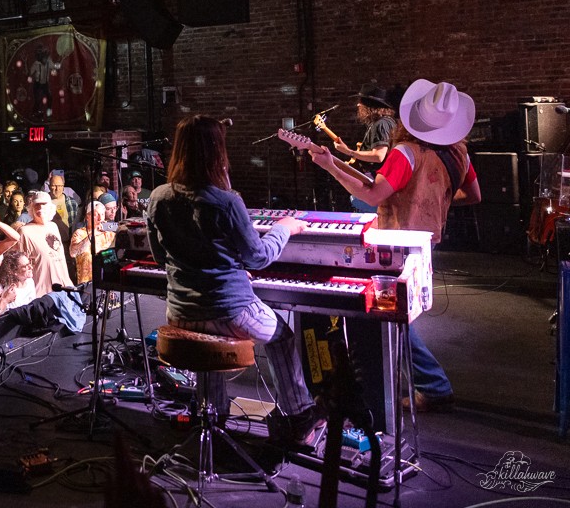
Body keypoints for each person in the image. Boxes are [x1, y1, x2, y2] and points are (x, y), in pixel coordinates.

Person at [146, 114, 323, 448]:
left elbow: (160, 257)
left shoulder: (157, 197)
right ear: (217, 152)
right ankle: (299, 417)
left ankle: (213, 416)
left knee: (206, 345)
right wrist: (284, 227)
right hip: (230, 312)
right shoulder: (227, 202)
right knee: (282, 336)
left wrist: (219, 262)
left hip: (180, 313)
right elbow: (259, 257)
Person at [308, 79, 480, 412]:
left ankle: (431, 386)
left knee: (389, 314)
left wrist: (330, 167)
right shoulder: (458, 152)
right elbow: (474, 195)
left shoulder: (406, 152)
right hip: (426, 241)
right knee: (395, 315)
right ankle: (419, 384)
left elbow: (373, 194)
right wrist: (435, 201)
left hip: (394, 244)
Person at [331, 84, 399, 212]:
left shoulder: (381, 124)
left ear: (369, 105)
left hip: (377, 181)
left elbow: (379, 156)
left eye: (361, 102)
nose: (358, 105)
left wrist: (349, 152)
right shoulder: (387, 122)